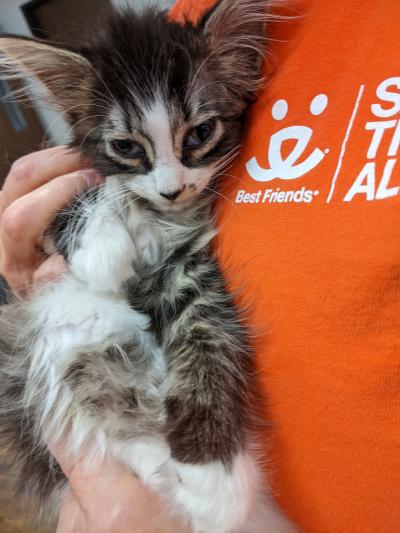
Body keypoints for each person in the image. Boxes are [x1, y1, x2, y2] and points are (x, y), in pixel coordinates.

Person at [1, 0, 399, 531]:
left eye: (198, 137)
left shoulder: (217, 46)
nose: (172, 184)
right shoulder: (185, 22)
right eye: (129, 148)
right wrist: (78, 221)